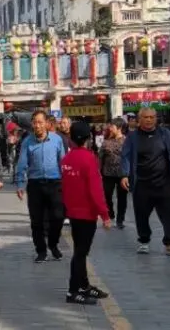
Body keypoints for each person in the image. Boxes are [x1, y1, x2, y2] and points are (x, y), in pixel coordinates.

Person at [121, 107, 170, 258]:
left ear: (156, 119)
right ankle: (144, 240)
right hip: (142, 183)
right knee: (141, 214)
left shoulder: (164, 133)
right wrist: (124, 175)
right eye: (145, 117)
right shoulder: (133, 137)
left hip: (164, 182)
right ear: (139, 120)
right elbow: (125, 156)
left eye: (152, 117)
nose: (149, 120)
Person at [61, 121, 112, 306]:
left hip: (73, 213)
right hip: (87, 213)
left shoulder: (66, 160)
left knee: (79, 251)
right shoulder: (89, 158)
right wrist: (105, 215)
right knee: (80, 253)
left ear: (71, 138)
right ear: (88, 138)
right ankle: (73, 291)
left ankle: (84, 286)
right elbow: (95, 190)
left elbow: (64, 188)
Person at [15, 109, 67, 263]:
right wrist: (20, 184)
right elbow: (22, 164)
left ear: (46, 123)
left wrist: (68, 182)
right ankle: (41, 251)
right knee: (36, 221)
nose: (37, 125)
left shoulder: (57, 140)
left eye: (40, 122)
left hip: (55, 184)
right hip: (35, 185)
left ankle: (53, 244)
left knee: (58, 217)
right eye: (35, 122)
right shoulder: (27, 142)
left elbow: (63, 162)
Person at [98, 118, 128, 229]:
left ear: (119, 128)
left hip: (122, 175)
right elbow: (100, 157)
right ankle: (110, 214)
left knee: (122, 198)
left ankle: (120, 219)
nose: (110, 128)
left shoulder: (127, 141)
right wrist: (98, 171)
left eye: (112, 126)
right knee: (106, 195)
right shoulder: (106, 141)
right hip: (107, 174)